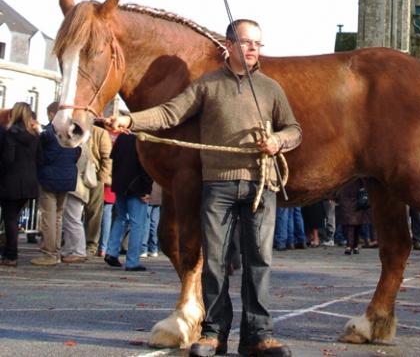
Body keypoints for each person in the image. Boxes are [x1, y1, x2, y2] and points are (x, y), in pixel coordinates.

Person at [104, 18, 301, 357]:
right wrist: (130, 120)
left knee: (259, 263)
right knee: (214, 263)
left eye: (258, 44)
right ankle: (213, 334)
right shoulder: (207, 85)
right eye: (247, 42)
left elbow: (295, 129)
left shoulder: (270, 88)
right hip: (219, 186)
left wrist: (278, 141)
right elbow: (169, 114)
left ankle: (259, 336)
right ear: (228, 45)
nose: (254, 49)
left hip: (260, 186)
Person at [31, 101, 80, 266]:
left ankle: (49, 253)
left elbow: (43, 155)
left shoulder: (49, 132)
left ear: (53, 114)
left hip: (49, 178)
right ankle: (56, 250)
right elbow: (76, 155)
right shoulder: (74, 133)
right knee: (58, 216)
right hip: (67, 178)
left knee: (48, 217)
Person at [104, 129, 152, 271]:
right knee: (138, 223)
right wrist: (146, 188)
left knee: (121, 218)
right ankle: (132, 261)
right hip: (137, 186)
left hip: (120, 184)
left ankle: (111, 252)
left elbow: (114, 159)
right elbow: (146, 166)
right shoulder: (145, 138)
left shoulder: (123, 137)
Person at [0, 102, 41, 266]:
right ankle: (10, 252)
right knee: (14, 218)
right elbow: (40, 160)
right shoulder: (35, 136)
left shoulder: (10, 134)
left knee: (9, 218)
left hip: (10, 181)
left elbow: (8, 159)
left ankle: (11, 254)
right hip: (29, 183)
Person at [61, 139, 94, 263]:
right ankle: (69, 249)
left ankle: (78, 251)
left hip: (75, 186)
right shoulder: (83, 146)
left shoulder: (77, 147)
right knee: (71, 220)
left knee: (73, 220)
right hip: (79, 186)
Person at [84, 124, 113, 255]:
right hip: (76, 176)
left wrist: (101, 178)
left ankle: (91, 244)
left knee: (94, 213)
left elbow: (108, 158)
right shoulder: (74, 129)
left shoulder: (100, 133)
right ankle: (76, 243)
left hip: (94, 177)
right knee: (74, 213)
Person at [335, 179, 371, 255]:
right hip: (349, 195)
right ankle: (353, 246)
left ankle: (352, 246)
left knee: (355, 224)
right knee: (351, 224)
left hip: (356, 197)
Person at [141, 180, 162, 258]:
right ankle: (154, 249)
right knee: (154, 223)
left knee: (146, 222)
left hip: (149, 194)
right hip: (158, 194)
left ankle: (143, 249)